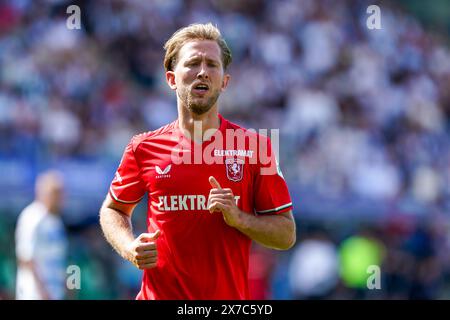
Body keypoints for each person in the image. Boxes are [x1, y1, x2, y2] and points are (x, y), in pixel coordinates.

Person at [99, 23, 296, 300]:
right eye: (193, 63)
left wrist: (238, 218)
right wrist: (129, 247)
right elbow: (113, 210)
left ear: (224, 82)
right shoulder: (142, 147)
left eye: (212, 64)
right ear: (171, 79)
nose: (203, 71)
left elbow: (286, 234)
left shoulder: (255, 147)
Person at [15, 170, 68, 300]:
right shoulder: (32, 217)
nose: (59, 199)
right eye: (56, 193)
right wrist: (43, 292)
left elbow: (61, 260)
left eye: (61, 194)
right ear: (42, 192)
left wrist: (70, 287)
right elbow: (26, 258)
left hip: (55, 293)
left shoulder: (57, 222)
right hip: (34, 293)